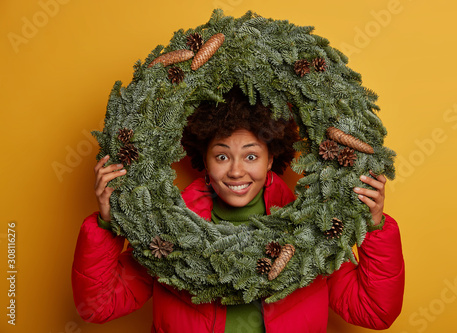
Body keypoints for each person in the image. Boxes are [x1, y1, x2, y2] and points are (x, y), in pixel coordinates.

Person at [72, 87, 404, 333]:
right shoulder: (166, 236)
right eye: (221, 156)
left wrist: (373, 229)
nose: (235, 171)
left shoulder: (310, 235)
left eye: (250, 156)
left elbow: (374, 311)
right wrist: (106, 224)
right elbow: (97, 306)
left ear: (271, 159)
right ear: (204, 160)